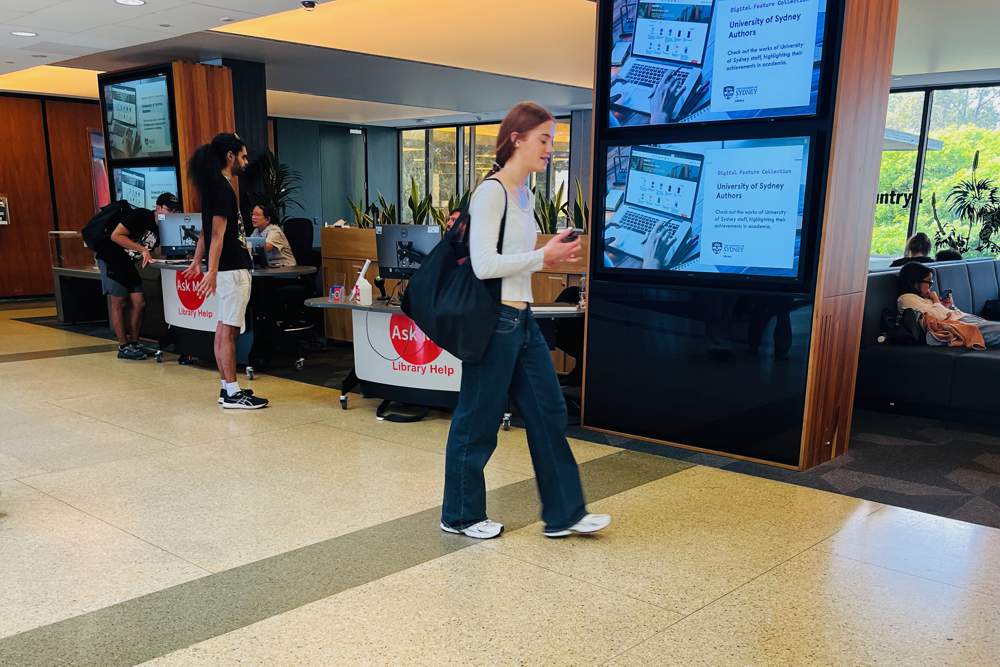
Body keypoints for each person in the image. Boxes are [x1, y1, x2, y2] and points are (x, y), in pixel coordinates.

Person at [440, 102, 611, 540]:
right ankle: (459, 515)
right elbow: (482, 264)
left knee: (548, 412)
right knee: (477, 420)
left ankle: (564, 514)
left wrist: (545, 251)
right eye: (544, 139)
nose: (550, 149)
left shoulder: (525, 194)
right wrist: (543, 255)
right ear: (516, 138)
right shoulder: (491, 191)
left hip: (523, 319)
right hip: (495, 321)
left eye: (552, 140)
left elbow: (514, 260)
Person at [182, 133, 269, 409]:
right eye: (242, 156)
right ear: (229, 157)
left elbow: (205, 234)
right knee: (229, 331)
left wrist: (198, 262)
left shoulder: (213, 187)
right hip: (232, 269)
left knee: (222, 329)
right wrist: (212, 269)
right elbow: (217, 235)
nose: (245, 161)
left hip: (226, 269)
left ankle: (226, 388)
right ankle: (232, 392)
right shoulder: (221, 188)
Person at [99, 192, 181, 359]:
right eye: (169, 210)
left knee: (139, 302)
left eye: (175, 211)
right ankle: (123, 346)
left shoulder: (162, 228)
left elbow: (158, 252)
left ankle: (134, 343)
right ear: (158, 208)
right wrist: (142, 249)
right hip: (111, 259)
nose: (172, 214)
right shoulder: (141, 215)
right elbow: (116, 235)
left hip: (127, 264)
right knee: (119, 302)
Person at [897, 262, 1000, 347]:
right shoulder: (906, 299)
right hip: (960, 326)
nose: (931, 286)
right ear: (915, 283)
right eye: (929, 281)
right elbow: (936, 318)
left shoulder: (925, 299)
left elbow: (945, 313)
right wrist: (936, 301)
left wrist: (950, 306)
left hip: (965, 320)